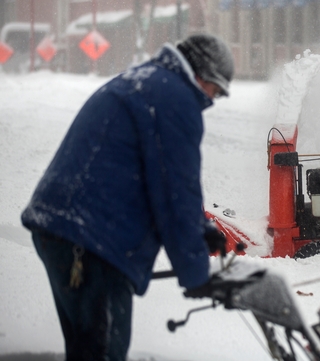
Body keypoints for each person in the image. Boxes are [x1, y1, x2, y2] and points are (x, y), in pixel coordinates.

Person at [21, 34, 234, 360]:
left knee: (87, 349)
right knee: (104, 351)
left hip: (61, 229)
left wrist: (201, 234)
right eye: (215, 90)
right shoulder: (174, 98)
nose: (212, 100)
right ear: (201, 75)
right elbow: (176, 191)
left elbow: (155, 181)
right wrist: (195, 274)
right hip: (91, 242)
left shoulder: (145, 80)